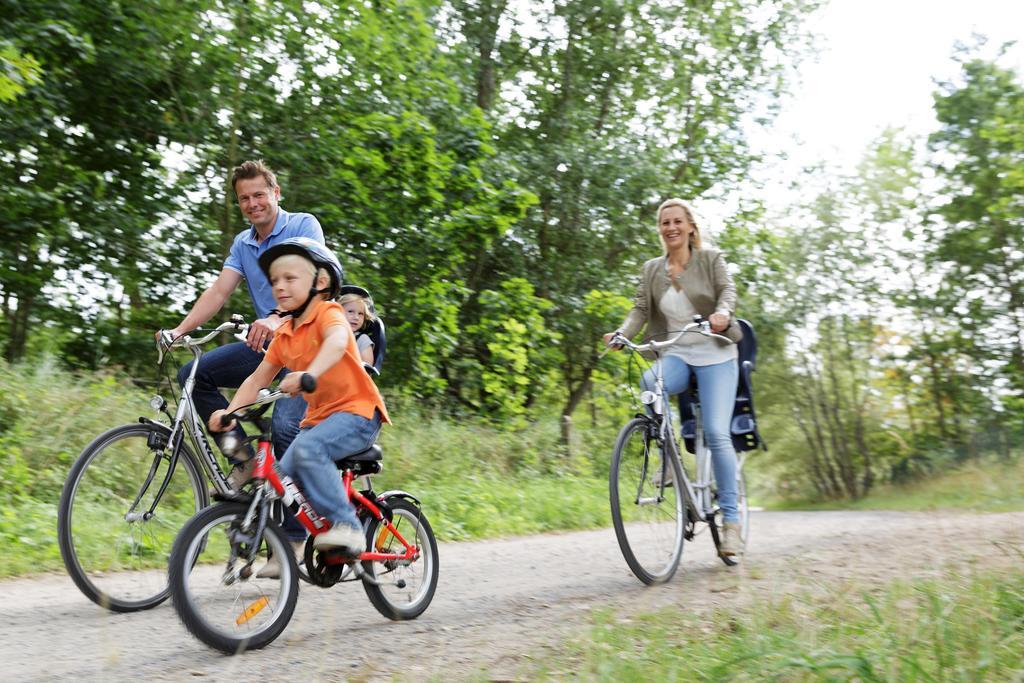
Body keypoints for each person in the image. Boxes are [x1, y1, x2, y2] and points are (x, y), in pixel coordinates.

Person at [210, 238, 391, 558]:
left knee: (307, 450)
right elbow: (256, 379)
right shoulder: (286, 335)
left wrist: (311, 375)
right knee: (282, 475)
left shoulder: (329, 314)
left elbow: (336, 342)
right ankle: (316, 535)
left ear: (320, 282)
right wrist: (229, 414)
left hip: (358, 411)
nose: (280, 286)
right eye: (275, 280)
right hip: (320, 419)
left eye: (290, 278)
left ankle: (347, 525)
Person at [163, 160, 324, 486]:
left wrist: (276, 317)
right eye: (244, 199)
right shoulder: (243, 243)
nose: (253, 204)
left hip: (308, 345)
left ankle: (292, 534)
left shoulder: (303, 226)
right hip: (269, 346)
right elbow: (219, 291)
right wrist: (180, 330)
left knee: (285, 427)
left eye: (259, 195)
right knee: (192, 376)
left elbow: (315, 282)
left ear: (276, 193)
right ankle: (242, 459)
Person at [603, 198, 745, 557]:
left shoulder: (710, 259)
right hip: (677, 351)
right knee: (650, 382)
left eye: (677, 221)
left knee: (715, 432)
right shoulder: (653, 268)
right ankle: (666, 457)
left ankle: (731, 524)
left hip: (715, 351)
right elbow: (639, 309)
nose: (671, 227)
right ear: (660, 230)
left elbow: (727, 291)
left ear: (690, 226)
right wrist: (622, 334)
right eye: (665, 222)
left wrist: (722, 313)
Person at [339, 291, 377, 366]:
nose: (356, 317)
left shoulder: (362, 340)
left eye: (360, 314)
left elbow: (367, 369)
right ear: (338, 312)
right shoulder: (330, 335)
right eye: (350, 311)